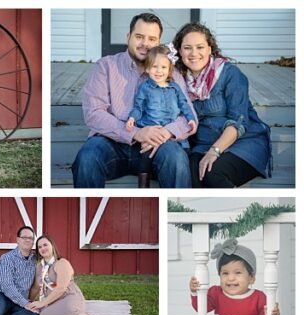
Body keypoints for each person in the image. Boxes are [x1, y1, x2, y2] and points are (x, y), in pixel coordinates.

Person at [71, 13, 195, 188]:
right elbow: (94, 113)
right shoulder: (106, 66)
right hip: (111, 143)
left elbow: (187, 114)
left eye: (152, 39)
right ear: (128, 37)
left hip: (156, 144)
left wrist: (166, 133)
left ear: (158, 42)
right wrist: (135, 133)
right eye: (139, 37)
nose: (145, 44)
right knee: (87, 157)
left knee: (177, 159)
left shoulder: (170, 73)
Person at [173, 22, 272, 188]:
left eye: (200, 47)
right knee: (192, 177)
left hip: (243, 142)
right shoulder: (178, 80)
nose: (194, 53)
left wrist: (215, 151)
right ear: (180, 51)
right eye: (187, 48)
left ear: (210, 49)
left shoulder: (229, 73)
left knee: (213, 174)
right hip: (203, 144)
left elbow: (238, 121)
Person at [189, 239, 277, 315]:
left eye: (238, 273)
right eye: (225, 273)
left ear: (251, 278)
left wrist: (273, 314)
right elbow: (201, 308)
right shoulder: (216, 293)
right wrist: (195, 292)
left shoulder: (258, 297)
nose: (230, 278)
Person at [124, 46, 197, 187]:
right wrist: (132, 118)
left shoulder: (175, 87)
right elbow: (138, 107)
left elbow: (184, 105)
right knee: (146, 152)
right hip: (151, 129)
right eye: (154, 67)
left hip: (170, 133)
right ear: (147, 69)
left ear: (169, 70)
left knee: (182, 154)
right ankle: (144, 185)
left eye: (163, 67)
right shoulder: (145, 88)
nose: (159, 71)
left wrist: (191, 119)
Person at [30, 235, 120, 315]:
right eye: (39, 247)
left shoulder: (61, 263)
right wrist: (28, 302)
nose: (43, 248)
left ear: (52, 246)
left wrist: (42, 303)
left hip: (69, 297)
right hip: (52, 301)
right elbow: (35, 287)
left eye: (45, 245)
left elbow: (61, 288)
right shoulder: (40, 267)